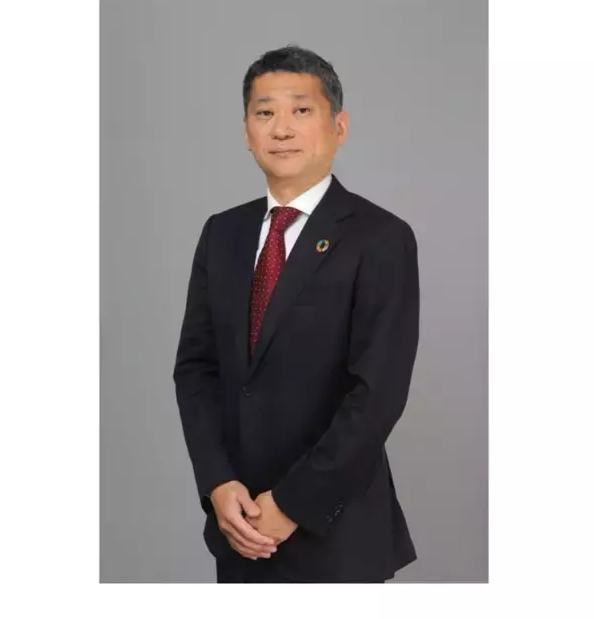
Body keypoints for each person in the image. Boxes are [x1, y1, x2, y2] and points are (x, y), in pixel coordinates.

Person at [173, 45, 420, 583]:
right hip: (239, 525)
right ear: (246, 131)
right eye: (264, 113)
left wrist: (292, 503)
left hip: (335, 530)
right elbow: (196, 370)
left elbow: (377, 393)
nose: (281, 129)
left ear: (339, 126)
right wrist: (217, 483)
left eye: (301, 110)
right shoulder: (223, 233)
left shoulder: (380, 237)